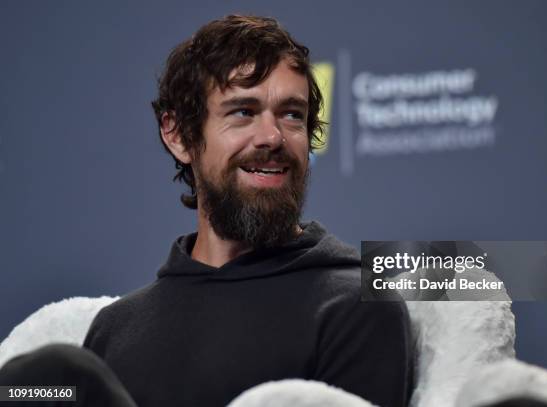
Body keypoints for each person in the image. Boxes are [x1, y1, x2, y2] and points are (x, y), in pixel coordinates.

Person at [81, 15, 412, 407]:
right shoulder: (114, 331)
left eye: (292, 114)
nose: (272, 137)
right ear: (178, 135)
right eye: (243, 112)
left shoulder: (355, 306)